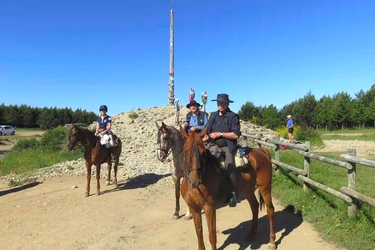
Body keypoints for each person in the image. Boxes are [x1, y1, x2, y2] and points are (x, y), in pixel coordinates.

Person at [203, 93, 241, 207]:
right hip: (211, 145)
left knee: (229, 166)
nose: (220, 105)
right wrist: (205, 136)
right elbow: (207, 130)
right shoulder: (213, 115)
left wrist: (220, 134)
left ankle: (232, 193)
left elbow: (236, 135)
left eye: (223, 103)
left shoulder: (233, 116)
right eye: (218, 103)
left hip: (226, 146)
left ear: (227, 104)